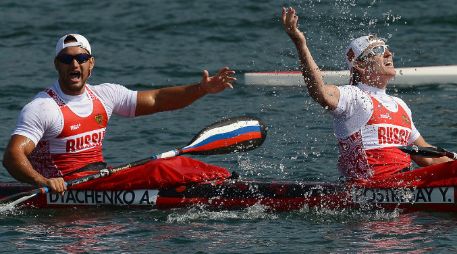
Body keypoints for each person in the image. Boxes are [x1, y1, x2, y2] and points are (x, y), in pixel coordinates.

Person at [3, 34, 235, 193]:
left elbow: (157, 100)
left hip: (99, 177)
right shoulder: (43, 107)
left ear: (91, 63)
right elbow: (13, 156)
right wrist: (42, 182)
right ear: (57, 64)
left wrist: (201, 89)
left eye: (81, 58)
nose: (74, 64)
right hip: (67, 185)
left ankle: (226, 182)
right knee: (158, 168)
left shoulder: (105, 95)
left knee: (171, 162)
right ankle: (225, 186)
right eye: (67, 59)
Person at [281, 7, 452, 179]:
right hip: (365, 193)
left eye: (387, 48)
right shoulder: (354, 96)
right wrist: (300, 44)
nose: (388, 54)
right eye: (378, 50)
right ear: (360, 66)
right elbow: (321, 93)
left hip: (404, 187)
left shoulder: (401, 106)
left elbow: (428, 160)